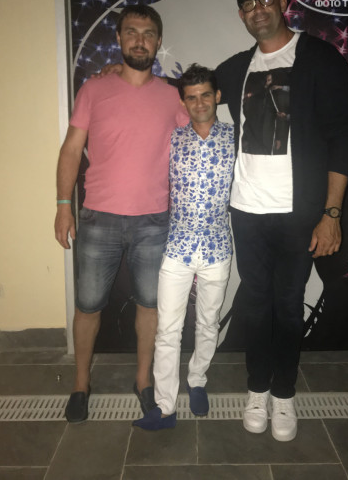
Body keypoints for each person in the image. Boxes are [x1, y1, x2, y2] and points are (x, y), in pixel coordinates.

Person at [215, 0, 348, 441]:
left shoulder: (319, 58)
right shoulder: (237, 68)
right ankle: (257, 388)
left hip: (299, 213)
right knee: (255, 304)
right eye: (248, 3)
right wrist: (127, 74)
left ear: (281, 3)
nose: (257, 9)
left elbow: (343, 137)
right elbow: (190, 90)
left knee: (289, 305)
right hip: (246, 211)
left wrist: (331, 214)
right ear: (241, 14)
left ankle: (284, 393)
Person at [54, 4, 188, 423]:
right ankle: (81, 385)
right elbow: (71, 149)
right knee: (88, 306)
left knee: (151, 305)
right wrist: (63, 206)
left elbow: (196, 139)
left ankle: (143, 380)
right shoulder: (94, 90)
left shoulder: (173, 96)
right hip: (99, 219)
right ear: (118, 38)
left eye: (148, 33)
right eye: (131, 31)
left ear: (158, 41)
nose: (139, 40)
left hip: (155, 221)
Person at [134, 64, 235, 430]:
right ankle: (164, 407)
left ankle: (197, 380)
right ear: (183, 102)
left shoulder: (236, 138)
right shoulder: (173, 139)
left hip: (217, 248)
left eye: (205, 95)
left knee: (208, 322)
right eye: (191, 97)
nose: (199, 103)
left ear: (217, 96)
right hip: (177, 247)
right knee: (168, 329)